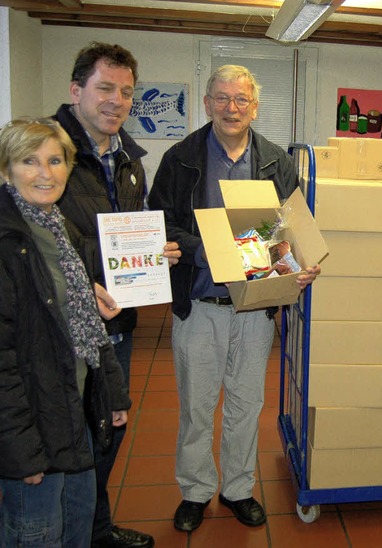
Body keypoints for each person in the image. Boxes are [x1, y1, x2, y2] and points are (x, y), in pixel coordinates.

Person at [147, 64, 320, 532]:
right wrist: (209, 252)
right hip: (201, 305)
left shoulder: (274, 161)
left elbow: (292, 225)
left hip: (257, 308)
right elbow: (160, 222)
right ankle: (196, 489)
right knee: (197, 407)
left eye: (241, 99)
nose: (231, 108)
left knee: (246, 404)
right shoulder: (181, 158)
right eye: (222, 98)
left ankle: (238, 488)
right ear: (207, 103)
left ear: (254, 106)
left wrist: (302, 265)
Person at [53, 42, 180, 548]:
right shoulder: (49, 151)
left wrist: (154, 253)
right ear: (76, 89)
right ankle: (70, 532)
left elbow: (128, 232)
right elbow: (46, 242)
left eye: (126, 92)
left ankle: (94, 527)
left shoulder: (130, 159)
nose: (117, 101)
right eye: (105, 88)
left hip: (117, 323)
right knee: (69, 436)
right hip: (63, 322)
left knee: (109, 425)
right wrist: (115, 259)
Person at [0, 118, 131, 546]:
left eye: (55, 160)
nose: (46, 173)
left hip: (72, 412)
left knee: (77, 525)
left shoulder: (57, 228)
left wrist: (111, 393)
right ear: (5, 170)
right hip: (34, 427)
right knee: (37, 533)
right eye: (28, 161)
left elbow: (85, 324)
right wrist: (21, 452)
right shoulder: (8, 240)